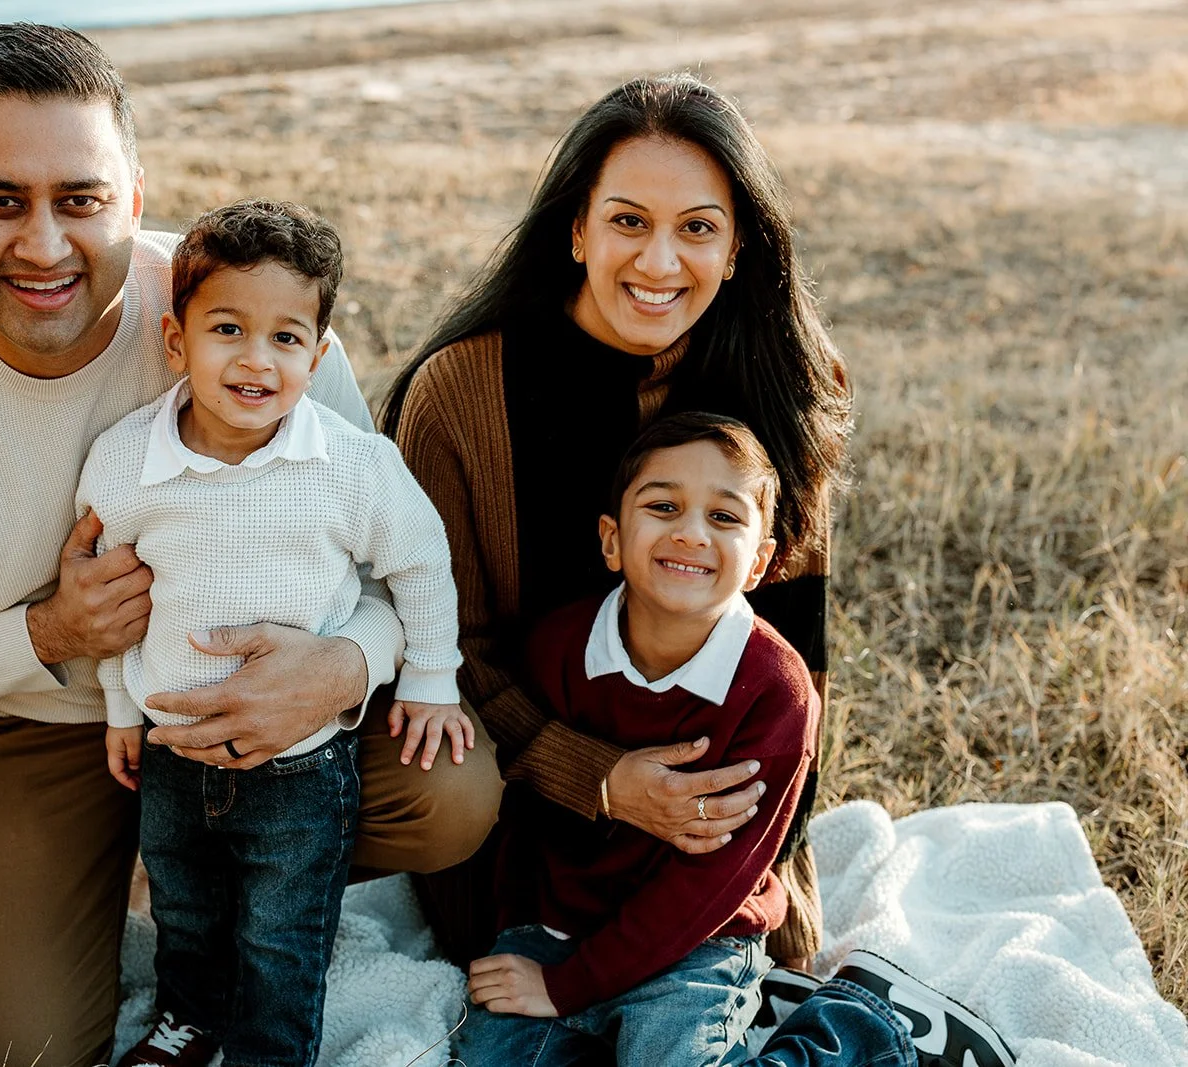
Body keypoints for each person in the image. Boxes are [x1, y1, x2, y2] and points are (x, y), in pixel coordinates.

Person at [0, 24, 500, 1067]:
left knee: (451, 794)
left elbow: (388, 563)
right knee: (15, 1043)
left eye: (79, 198)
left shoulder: (254, 319)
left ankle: (235, 883)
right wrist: (50, 629)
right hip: (36, 719)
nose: (43, 244)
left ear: (131, 198)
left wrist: (345, 664)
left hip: (275, 702)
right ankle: (90, 867)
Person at [383, 74, 1014, 1066]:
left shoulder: (784, 384)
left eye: (698, 228)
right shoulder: (460, 391)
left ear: (738, 248)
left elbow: (795, 660)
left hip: (706, 826)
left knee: (719, 986)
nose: (660, 260)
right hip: (525, 804)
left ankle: (866, 1034)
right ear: (576, 230)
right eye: (628, 220)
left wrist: (748, 848)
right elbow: (441, 651)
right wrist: (598, 779)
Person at [78, 199, 473, 1067]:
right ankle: (188, 1018)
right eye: (229, 329)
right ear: (177, 342)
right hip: (172, 754)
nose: (257, 359)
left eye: (287, 338)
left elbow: (420, 560)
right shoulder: (125, 461)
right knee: (185, 905)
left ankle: (270, 1048)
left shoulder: (351, 466)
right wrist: (117, 707)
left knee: (281, 927)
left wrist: (432, 678)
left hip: (302, 768)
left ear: (319, 354)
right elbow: (114, 600)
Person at [456, 412, 817, 1065]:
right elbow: (525, 808)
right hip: (559, 925)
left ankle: (859, 1033)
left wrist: (571, 987)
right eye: (664, 505)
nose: (690, 532)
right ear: (612, 539)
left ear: (761, 560)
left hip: (697, 939)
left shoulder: (774, 689)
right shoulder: (560, 647)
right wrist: (520, 941)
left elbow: (714, 880)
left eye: (725, 517)